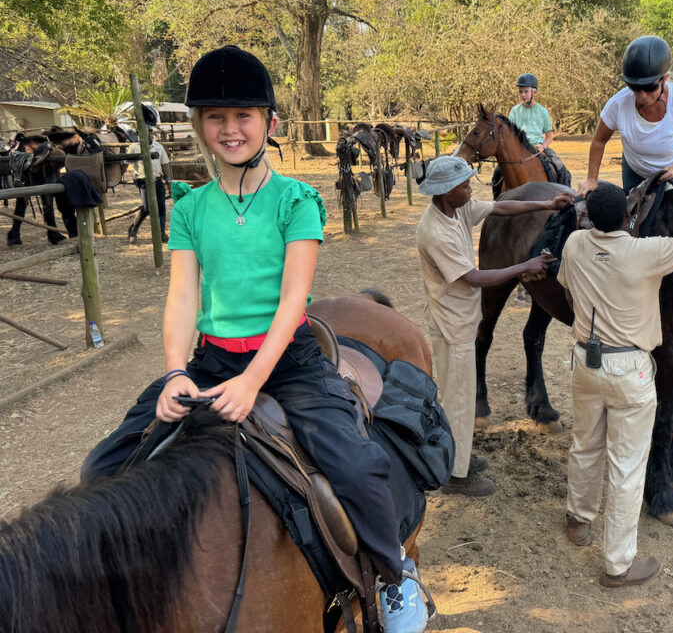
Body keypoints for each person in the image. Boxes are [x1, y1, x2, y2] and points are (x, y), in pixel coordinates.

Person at [80, 45, 429, 633]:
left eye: (243, 115)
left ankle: (393, 576)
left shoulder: (296, 201)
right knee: (102, 467)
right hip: (211, 361)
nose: (230, 129)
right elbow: (184, 298)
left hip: (287, 361)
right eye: (215, 118)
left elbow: (294, 300)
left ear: (268, 122)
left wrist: (252, 381)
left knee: (359, 467)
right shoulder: (191, 208)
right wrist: (174, 373)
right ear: (200, 126)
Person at [556, 178, 673, 587]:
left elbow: (568, 288)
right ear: (628, 216)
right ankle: (618, 564)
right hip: (629, 368)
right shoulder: (647, 251)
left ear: (588, 216)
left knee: (585, 442)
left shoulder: (574, 245)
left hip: (585, 362)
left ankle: (579, 518)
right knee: (627, 466)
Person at [416, 156, 573, 496]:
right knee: (457, 399)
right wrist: (523, 267)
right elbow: (473, 277)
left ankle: (458, 457)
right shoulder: (434, 231)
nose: (470, 189)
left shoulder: (456, 209)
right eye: (464, 185)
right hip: (452, 322)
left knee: (461, 393)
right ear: (446, 192)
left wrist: (548, 202)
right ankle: (456, 478)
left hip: (463, 317)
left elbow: (500, 209)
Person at [578, 36, 673, 197]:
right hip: (636, 172)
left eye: (650, 87)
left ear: (665, 79)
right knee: (631, 218)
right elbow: (599, 141)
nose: (642, 95)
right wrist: (591, 179)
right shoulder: (618, 104)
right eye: (634, 87)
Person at [5, 133, 70, 246]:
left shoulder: (52, 151)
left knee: (23, 204)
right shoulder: (31, 148)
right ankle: (51, 233)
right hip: (30, 177)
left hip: (39, 174)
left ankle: (14, 233)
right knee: (26, 203)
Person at [125, 105, 172, 244]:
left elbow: (165, 164)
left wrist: (168, 181)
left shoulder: (158, 146)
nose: (150, 134)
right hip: (143, 181)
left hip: (157, 180)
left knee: (162, 207)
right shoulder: (134, 148)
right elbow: (127, 163)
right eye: (147, 132)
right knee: (147, 208)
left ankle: (161, 233)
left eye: (151, 132)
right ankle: (133, 229)